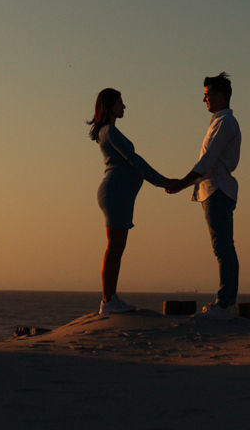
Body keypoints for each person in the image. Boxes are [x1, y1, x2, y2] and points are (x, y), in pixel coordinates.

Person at [164, 72, 241, 318]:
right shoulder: (219, 122)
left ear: (220, 95)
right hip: (212, 190)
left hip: (217, 189)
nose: (204, 99)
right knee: (222, 247)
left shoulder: (225, 123)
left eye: (207, 95)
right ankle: (225, 301)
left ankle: (225, 303)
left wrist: (181, 184)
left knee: (223, 247)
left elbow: (207, 162)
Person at [88, 88, 169, 316]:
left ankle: (111, 298)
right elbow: (133, 160)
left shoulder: (109, 131)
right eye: (120, 103)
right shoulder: (109, 131)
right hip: (116, 193)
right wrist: (161, 181)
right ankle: (108, 300)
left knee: (116, 247)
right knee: (114, 247)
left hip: (120, 194)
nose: (124, 107)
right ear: (111, 106)